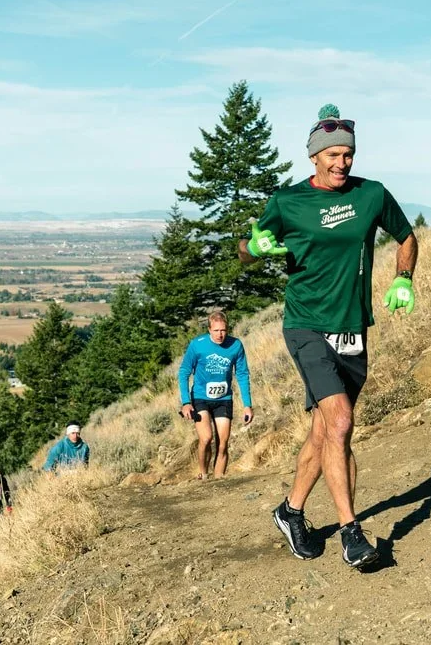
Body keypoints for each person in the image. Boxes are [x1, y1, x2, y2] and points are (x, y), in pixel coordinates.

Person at [239, 103, 418, 570]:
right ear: (314, 157)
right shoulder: (288, 202)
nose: (342, 163)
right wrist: (253, 248)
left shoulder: (372, 195)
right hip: (305, 324)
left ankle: (290, 510)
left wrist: (404, 278)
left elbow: (406, 236)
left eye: (348, 155)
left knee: (324, 431)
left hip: (353, 328)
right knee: (339, 422)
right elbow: (247, 248)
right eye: (332, 155)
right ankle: (351, 533)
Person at [178, 311, 254, 479]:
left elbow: (242, 374)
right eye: (216, 330)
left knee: (223, 443)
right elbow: (183, 372)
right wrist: (185, 402)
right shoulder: (197, 345)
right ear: (209, 329)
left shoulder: (236, 345)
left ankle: (219, 481)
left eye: (224, 330)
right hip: (200, 398)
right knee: (206, 438)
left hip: (223, 399)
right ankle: (203, 475)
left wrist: (247, 405)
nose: (220, 334)